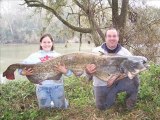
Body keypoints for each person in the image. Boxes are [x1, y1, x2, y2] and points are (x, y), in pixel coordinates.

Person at [85, 28, 139, 110]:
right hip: (102, 84)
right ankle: (111, 96)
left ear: (118, 38)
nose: (112, 38)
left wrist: (116, 77)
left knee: (135, 79)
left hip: (119, 82)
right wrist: (88, 72)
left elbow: (133, 69)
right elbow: (87, 75)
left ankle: (129, 104)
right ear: (105, 38)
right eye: (109, 36)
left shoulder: (126, 53)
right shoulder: (95, 52)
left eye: (114, 36)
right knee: (102, 108)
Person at [19, 34, 72, 109]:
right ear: (40, 43)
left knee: (61, 108)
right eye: (44, 42)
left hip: (57, 86)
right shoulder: (33, 56)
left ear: (52, 43)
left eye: (49, 42)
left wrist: (65, 71)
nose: (46, 44)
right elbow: (19, 67)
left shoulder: (59, 56)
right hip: (41, 87)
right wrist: (23, 72)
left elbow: (70, 73)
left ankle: (63, 102)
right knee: (44, 110)